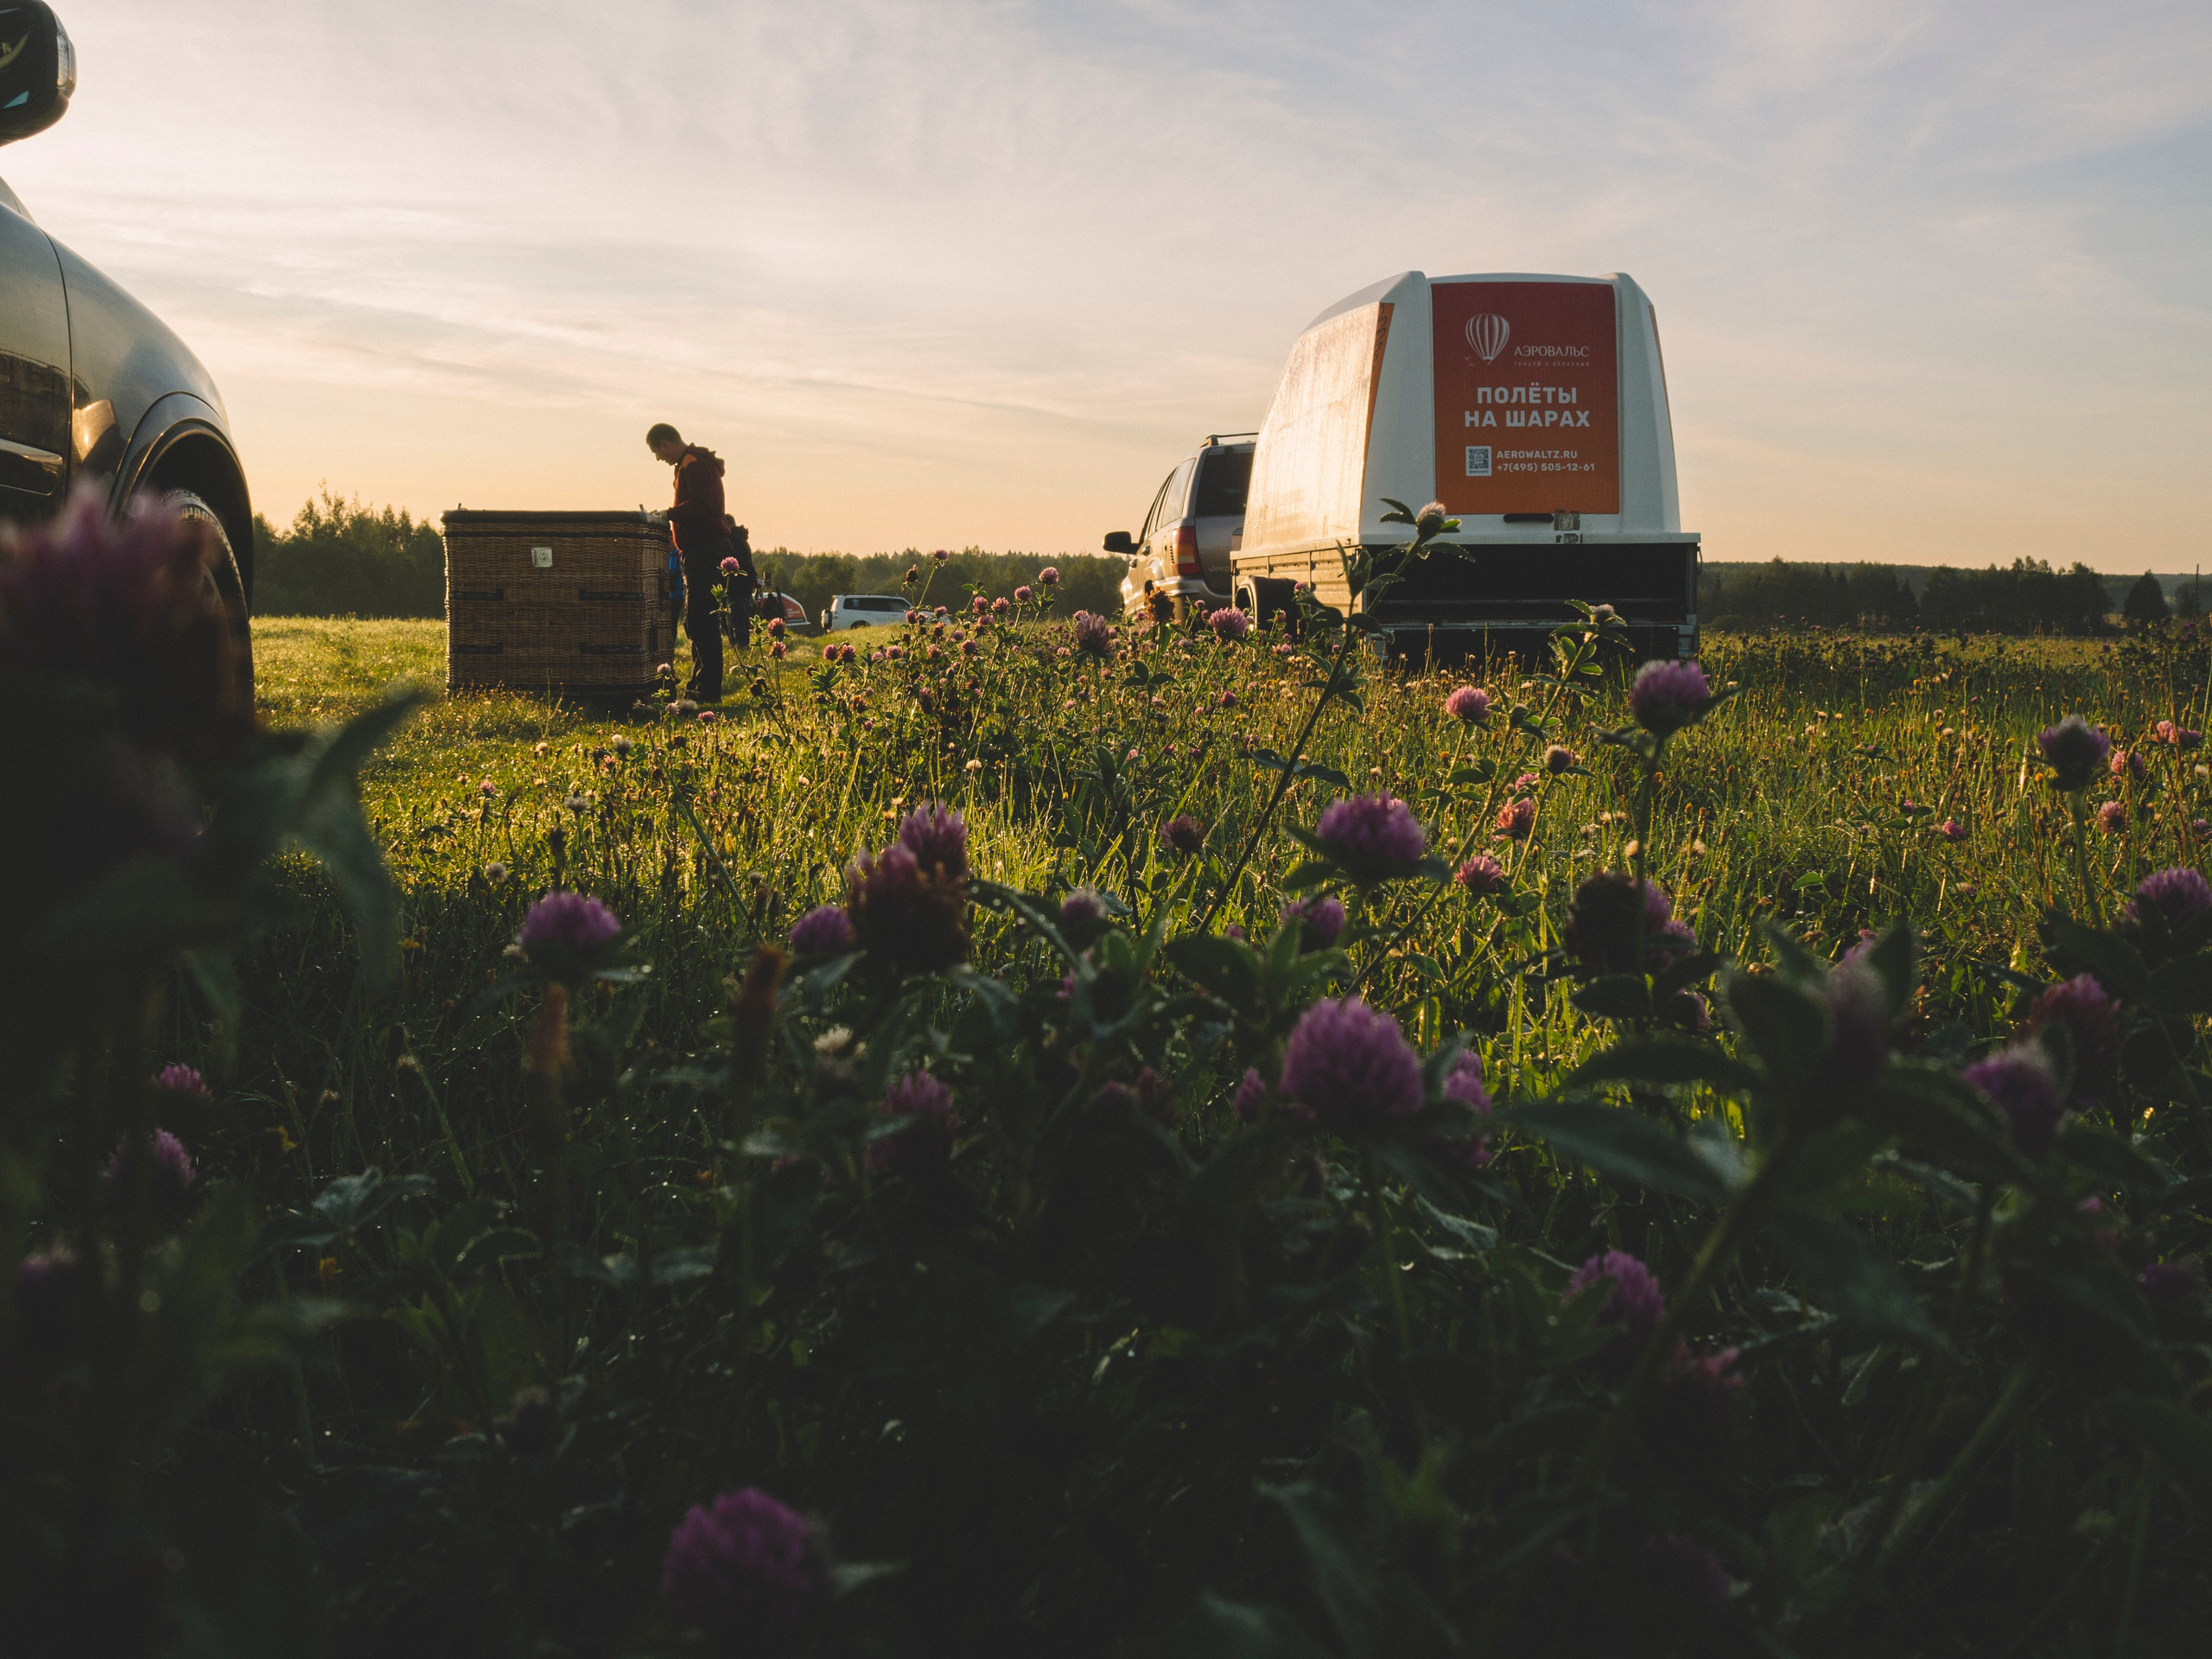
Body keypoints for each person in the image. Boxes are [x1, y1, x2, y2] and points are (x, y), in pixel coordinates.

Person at [647, 422, 732, 702]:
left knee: (701, 621)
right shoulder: (688, 464)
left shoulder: (693, 464)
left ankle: (707, 690)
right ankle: (699, 685)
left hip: (704, 551)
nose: (660, 459)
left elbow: (701, 504)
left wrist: (668, 513)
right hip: (697, 551)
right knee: (696, 621)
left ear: (665, 444)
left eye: (658, 453)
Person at [721, 513, 757, 650]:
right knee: (741, 617)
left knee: (736, 618)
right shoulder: (742, 540)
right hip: (745, 586)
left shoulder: (733, 540)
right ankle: (742, 644)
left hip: (736, 586)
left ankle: (740, 645)